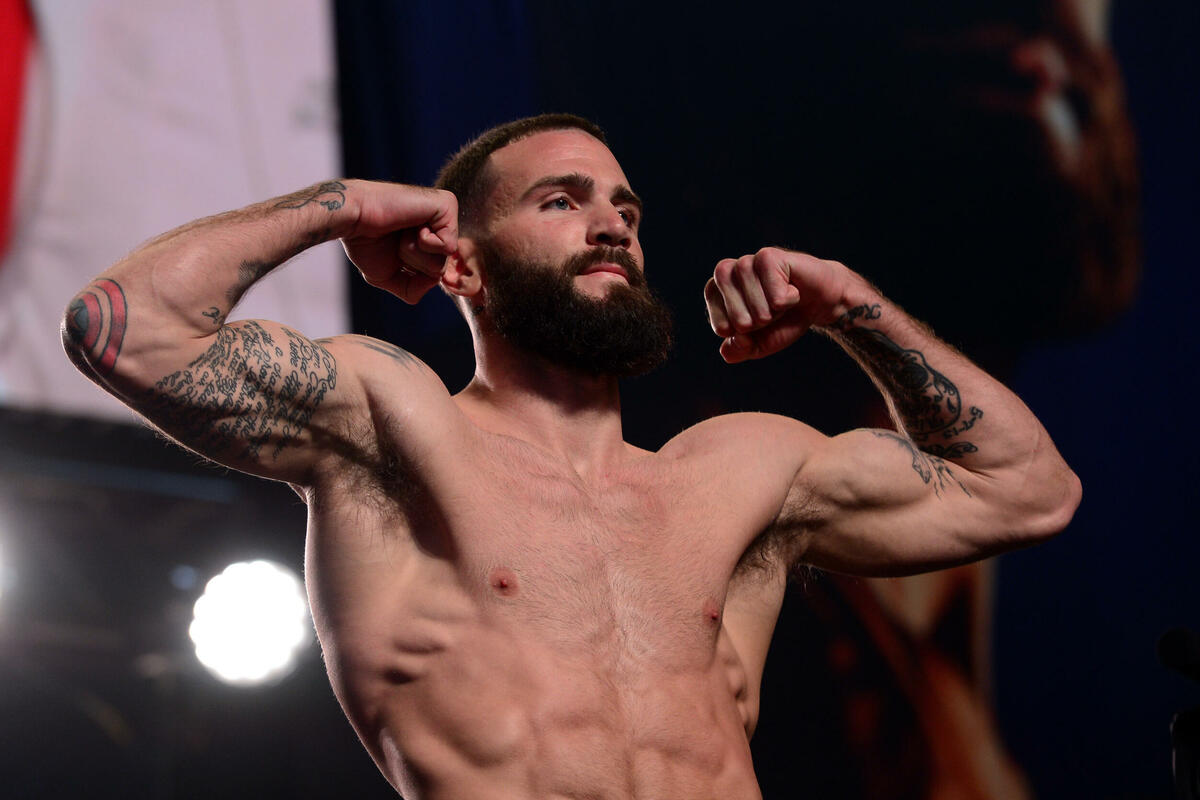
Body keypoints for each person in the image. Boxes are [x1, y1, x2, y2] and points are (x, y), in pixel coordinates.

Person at [61, 114, 1080, 799]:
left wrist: (851, 306)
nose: (611, 227)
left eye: (625, 209)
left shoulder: (741, 472)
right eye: (562, 201)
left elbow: (1028, 491)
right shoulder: (394, 423)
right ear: (459, 259)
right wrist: (344, 207)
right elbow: (123, 330)